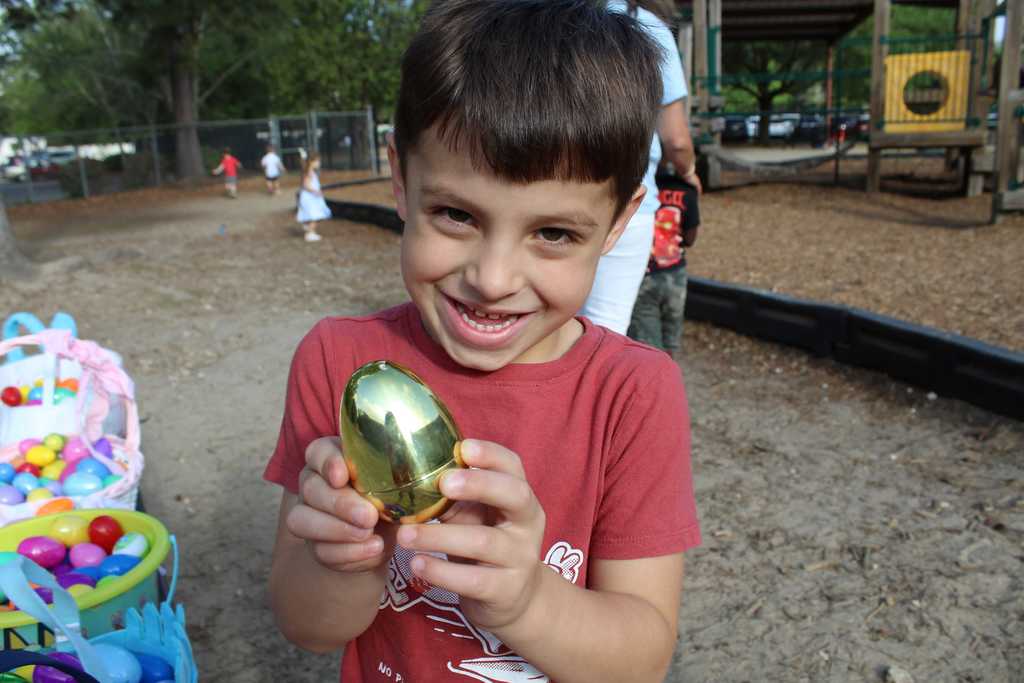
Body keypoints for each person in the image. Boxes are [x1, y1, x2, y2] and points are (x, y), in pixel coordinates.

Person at [264, 2, 701, 682]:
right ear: (401, 183)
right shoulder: (339, 361)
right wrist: (343, 557)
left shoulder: (633, 394)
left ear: (618, 224)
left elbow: (641, 657)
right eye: (456, 214)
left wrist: (527, 599)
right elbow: (306, 623)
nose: (493, 279)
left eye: (554, 233)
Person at [580, 0, 701, 334]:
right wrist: (689, 172)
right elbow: (676, 139)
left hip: (551, 188)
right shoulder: (646, 26)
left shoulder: (546, 15)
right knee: (606, 324)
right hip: (625, 196)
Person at [627, 162, 701, 356]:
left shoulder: (639, 188)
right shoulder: (687, 191)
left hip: (644, 274)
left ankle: (653, 381)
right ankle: (670, 379)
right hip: (675, 273)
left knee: (646, 342)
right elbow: (690, 239)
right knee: (672, 337)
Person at [296, 152, 331, 242]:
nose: (319, 163)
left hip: (311, 197)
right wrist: (316, 191)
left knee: (315, 215)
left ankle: (309, 228)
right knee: (316, 216)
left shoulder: (310, 172)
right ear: (311, 162)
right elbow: (305, 185)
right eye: (317, 161)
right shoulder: (309, 172)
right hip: (310, 197)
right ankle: (309, 234)